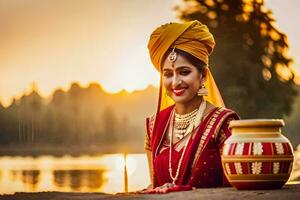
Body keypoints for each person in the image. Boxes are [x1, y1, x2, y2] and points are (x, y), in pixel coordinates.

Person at [142, 20, 239, 194]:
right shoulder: (154, 126)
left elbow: (234, 190)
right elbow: (155, 185)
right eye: (168, 74)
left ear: (202, 76)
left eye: (184, 72)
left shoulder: (223, 124)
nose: (175, 82)